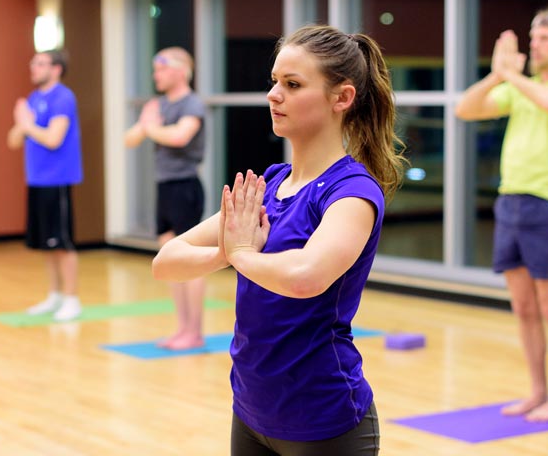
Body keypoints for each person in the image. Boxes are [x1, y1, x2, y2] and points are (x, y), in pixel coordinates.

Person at [153, 25, 407, 455]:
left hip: (324, 417)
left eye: (292, 84)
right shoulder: (269, 186)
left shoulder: (352, 192)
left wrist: (239, 253)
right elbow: (167, 261)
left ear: (341, 98)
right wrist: (224, 251)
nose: (274, 95)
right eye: (274, 82)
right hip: (252, 411)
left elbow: (305, 277)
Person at [455, 6, 548, 422]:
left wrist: (511, 74)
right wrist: (497, 75)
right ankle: (537, 392)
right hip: (511, 201)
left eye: (545, 39)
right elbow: (466, 109)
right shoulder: (520, 88)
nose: (535, 45)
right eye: (533, 39)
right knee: (524, 307)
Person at [125, 46, 207, 350]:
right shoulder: (157, 106)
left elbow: (179, 136)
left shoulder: (192, 104)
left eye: (160, 69)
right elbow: (130, 139)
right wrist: (147, 126)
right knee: (170, 258)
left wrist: (151, 128)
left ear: (180, 71)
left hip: (185, 187)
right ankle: (182, 328)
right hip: (164, 186)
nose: (155, 76)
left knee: (190, 262)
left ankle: (195, 332)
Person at [7, 49, 84, 322]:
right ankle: (55, 295)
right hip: (36, 180)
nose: (33, 67)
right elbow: (13, 140)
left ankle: (72, 298)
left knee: (62, 243)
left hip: (57, 179)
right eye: (33, 62)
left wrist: (27, 126)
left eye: (40, 63)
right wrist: (22, 125)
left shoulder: (63, 97)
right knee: (46, 245)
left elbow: (53, 138)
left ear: (56, 68)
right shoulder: (33, 98)